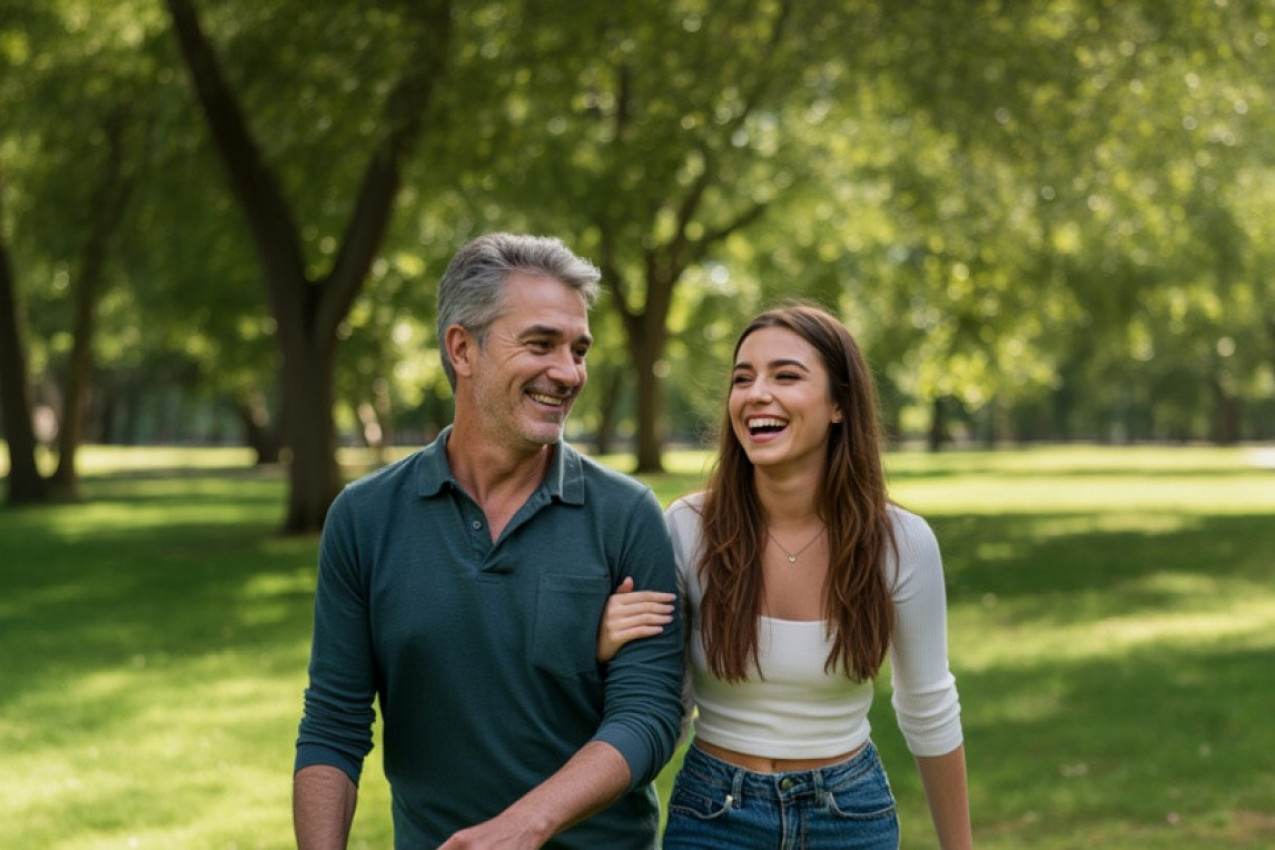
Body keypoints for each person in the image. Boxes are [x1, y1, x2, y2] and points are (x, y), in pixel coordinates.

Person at [293, 233, 685, 849]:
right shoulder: (364, 519)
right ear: (462, 349)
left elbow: (650, 716)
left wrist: (520, 828)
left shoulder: (626, 514)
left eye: (578, 349)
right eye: (540, 344)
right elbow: (334, 727)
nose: (568, 372)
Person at [598, 303, 972, 849]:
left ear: (839, 404)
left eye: (786, 376)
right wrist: (604, 649)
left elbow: (928, 707)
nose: (756, 393)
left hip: (850, 817)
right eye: (742, 378)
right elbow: (663, 711)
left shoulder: (901, 542)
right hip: (714, 814)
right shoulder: (688, 530)